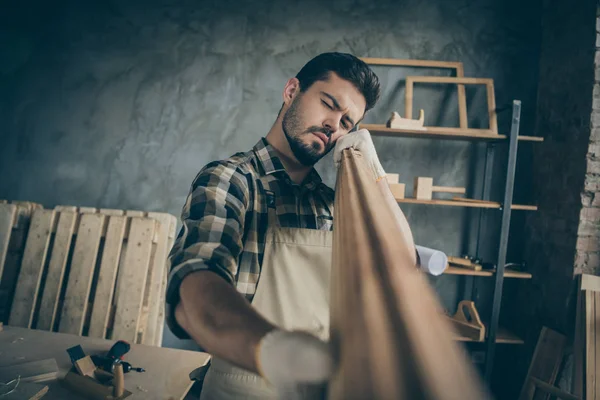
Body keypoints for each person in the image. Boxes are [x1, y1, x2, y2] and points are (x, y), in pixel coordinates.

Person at [165, 52, 418, 399]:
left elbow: (401, 262)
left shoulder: (332, 204)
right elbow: (196, 285)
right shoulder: (231, 180)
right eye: (329, 104)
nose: (334, 125)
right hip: (237, 389)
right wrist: (278, 352)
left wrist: (372, 169)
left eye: (347, 123)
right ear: (291, 90)